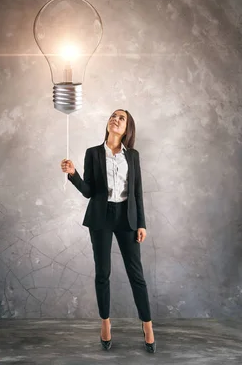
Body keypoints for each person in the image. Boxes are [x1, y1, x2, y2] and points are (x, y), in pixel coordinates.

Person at [60, 109, 156, 353]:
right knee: (103, 273)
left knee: (137, 275)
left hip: (127, 217)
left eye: (121, 118)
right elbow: (89, 191)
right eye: (113, 116)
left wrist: (141, 223)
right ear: (108, 123)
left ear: (127, 128)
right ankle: (105, 323)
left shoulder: (132, 156)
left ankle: (147, 325)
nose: (116, 119)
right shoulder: (93, 153)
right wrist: (73, 175)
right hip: (101, 218)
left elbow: (137, 192)